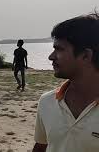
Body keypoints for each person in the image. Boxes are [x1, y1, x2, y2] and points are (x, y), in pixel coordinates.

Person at [33, 13, 99, 152]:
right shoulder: (47, 102)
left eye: (59, 49)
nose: (51, 57)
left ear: (86, 55)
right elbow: (41, 147)